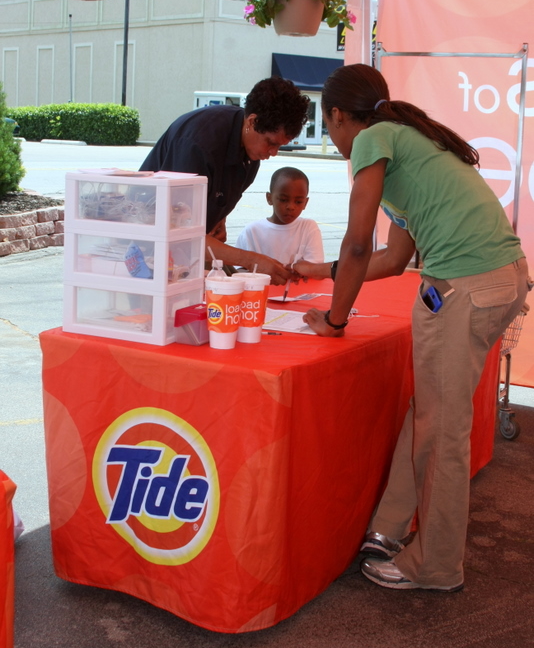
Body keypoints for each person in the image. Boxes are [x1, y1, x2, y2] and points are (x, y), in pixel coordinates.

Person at [295, 63, 530, 593]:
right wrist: (323, 272)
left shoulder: (371, 140)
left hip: (464, 287)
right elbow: (392, 259)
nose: (333, 138)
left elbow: (358, 243)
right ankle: (389, 527)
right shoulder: (410, 140)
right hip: (501, 280)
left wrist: (335, 320)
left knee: (442, 431)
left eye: (328, 126)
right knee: (431, 412)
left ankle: (436, 566)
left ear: (337, 115)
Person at [140, 78, 310, 285]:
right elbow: (178, 234)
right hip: (148, 247)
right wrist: (251, 260)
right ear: (252, 122)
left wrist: (219, 217)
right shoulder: (199, 145)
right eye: (271, 143)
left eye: (280, 146)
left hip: (190, 247)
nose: (273, 152)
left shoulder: (251, 149)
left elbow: (218, 194)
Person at [235, 167, 324, 265]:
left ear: (305, 203)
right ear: (269, 198)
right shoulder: (252, 231)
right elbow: (239, 268)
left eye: (298, 202)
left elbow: (315, 266)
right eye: (283, 200)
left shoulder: (308, 228)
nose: (291, 207)